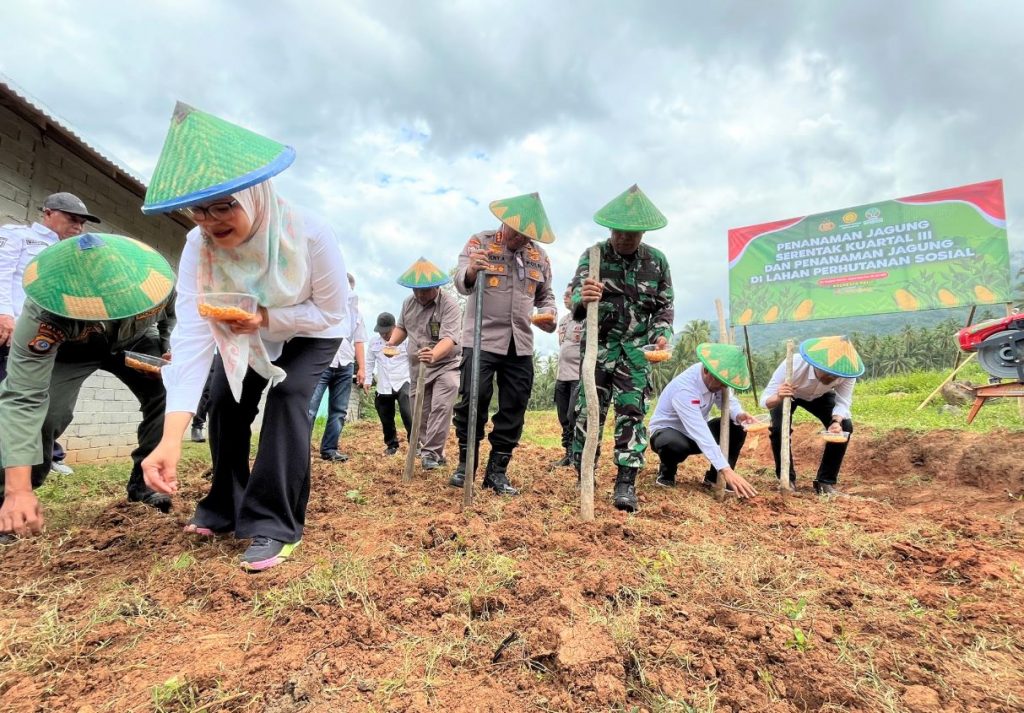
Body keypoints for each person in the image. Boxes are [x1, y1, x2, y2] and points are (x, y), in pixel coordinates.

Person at [139, 102, 349, 571]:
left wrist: (268, 319)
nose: (212, 221)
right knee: (226, 400)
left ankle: (274, 523)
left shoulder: (310, 234)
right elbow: (193, 335)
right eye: (199, 209)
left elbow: (332, 311)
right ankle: (225, 505)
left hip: (312, 329)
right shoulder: (199, 245)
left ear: (255, 193)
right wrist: (171, 437)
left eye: (224, 205)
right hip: (245, 329)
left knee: (290, 397)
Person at [0, 233, 177, 540]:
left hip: (133, 341)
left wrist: (167, 348)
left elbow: (171, 319)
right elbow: (22, 398)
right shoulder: (44, 314)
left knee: (172, 390)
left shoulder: (157, 281)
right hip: (72, 350)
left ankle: (145, 484)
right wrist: (17, 489)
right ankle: (13, 499)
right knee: (49, 413)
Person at [570, 184, 674, 512]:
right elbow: (573, 295)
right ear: (611, 229)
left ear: (642, 232)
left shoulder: (656, 262)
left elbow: (664, 306)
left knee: (632, 413)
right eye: (620, 233)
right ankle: (583, 470)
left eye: (633, 234)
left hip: (635, 352)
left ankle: (625, 483)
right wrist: (581, 299)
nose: (625, 240)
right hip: (598, 350)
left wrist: (660, 334)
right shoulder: (594, 256)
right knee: (588, 412)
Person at [450, 194, 557, 495]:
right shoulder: (479, 243)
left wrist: (549, 315)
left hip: (520, 343)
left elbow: (546, 296)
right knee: (473, 399)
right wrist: (472, 270)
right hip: (481, 338)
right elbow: (461, 281)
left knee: (514, 407)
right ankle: (465, 464)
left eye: (527, 235)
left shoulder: (539, 257)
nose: (520, 238)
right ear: (504, 222)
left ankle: (496, 472)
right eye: (515, 231)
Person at [1, 192, 99, 476]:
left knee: (50, 397)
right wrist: (4, 315)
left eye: (82, 223)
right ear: (47, 214)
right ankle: (14, 463)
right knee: (15, 396)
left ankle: (47, 454)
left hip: (51, 336)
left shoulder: (75, 250)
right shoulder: (17, 236)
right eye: (72, 219)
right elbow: (2, 272)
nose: (78, 227)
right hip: (14, 331)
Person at [648, 343, 759, 498]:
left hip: (694, 435)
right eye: (720, 383)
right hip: (668, 432)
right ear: (706, 371)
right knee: (673, 445)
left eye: (725, 384)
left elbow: (727, 401)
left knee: (736, 427)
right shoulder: (685, 390)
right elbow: (699, 430)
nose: (722, 387)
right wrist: (726, 469)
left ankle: (714, 478)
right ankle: (667, 472)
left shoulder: (718, 379)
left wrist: (739, 415)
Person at [761, 335, 862, 496]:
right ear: (816, 363)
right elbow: (765, 400)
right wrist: (779, 396)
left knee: (845, 426)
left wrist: (835, 422)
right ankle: (787, 479)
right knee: (779, 429)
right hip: (789, 393)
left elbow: (843, 402)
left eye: (835, 375)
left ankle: (825, 482)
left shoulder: (846, 372)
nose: (832, 378)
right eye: (828, 373)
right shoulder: (793, 364)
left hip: (820, 396)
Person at [388, 257, 462, 471]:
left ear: (437, 287)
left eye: (426, 290)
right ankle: (433, 450)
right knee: (420, 412)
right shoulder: (408, 304)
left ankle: (430, 454)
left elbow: (449, 338)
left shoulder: (449, 305)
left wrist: (435, 354)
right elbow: (402, 327)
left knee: (441, 405)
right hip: (418, 367)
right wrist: (392, 343)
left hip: (446, 364)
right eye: (416, 290)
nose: (420, 295)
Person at [307, 273, 366, 462]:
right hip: (322, 361)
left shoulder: (356, 314)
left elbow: (359, 341)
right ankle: (300, 449)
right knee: (310, 408)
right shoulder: (323, 307)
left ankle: (329, 449)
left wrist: (362, 368)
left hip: (345, 365)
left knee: (339, 410)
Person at [363, 312, 411, 456]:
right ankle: (391, 445)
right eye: (381, 332)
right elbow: (370, 362)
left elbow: (413, 360)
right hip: (384, 383)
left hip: (404, 380)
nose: (384, 335)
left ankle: (416, 443)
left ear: (394, 327)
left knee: (408, 413)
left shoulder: (406, 341)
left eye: (387, 331)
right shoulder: (374, 343)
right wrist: (367, 380)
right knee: (385, 416)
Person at [551, 285, 582, 467]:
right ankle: (568, 453)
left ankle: (577, 454)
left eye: (569, 294)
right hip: (561, 376)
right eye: (565, 294)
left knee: (573, 415)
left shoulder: (586, 320)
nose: (566, 297)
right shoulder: (562, 321)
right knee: (563, 416)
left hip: (578, 376)